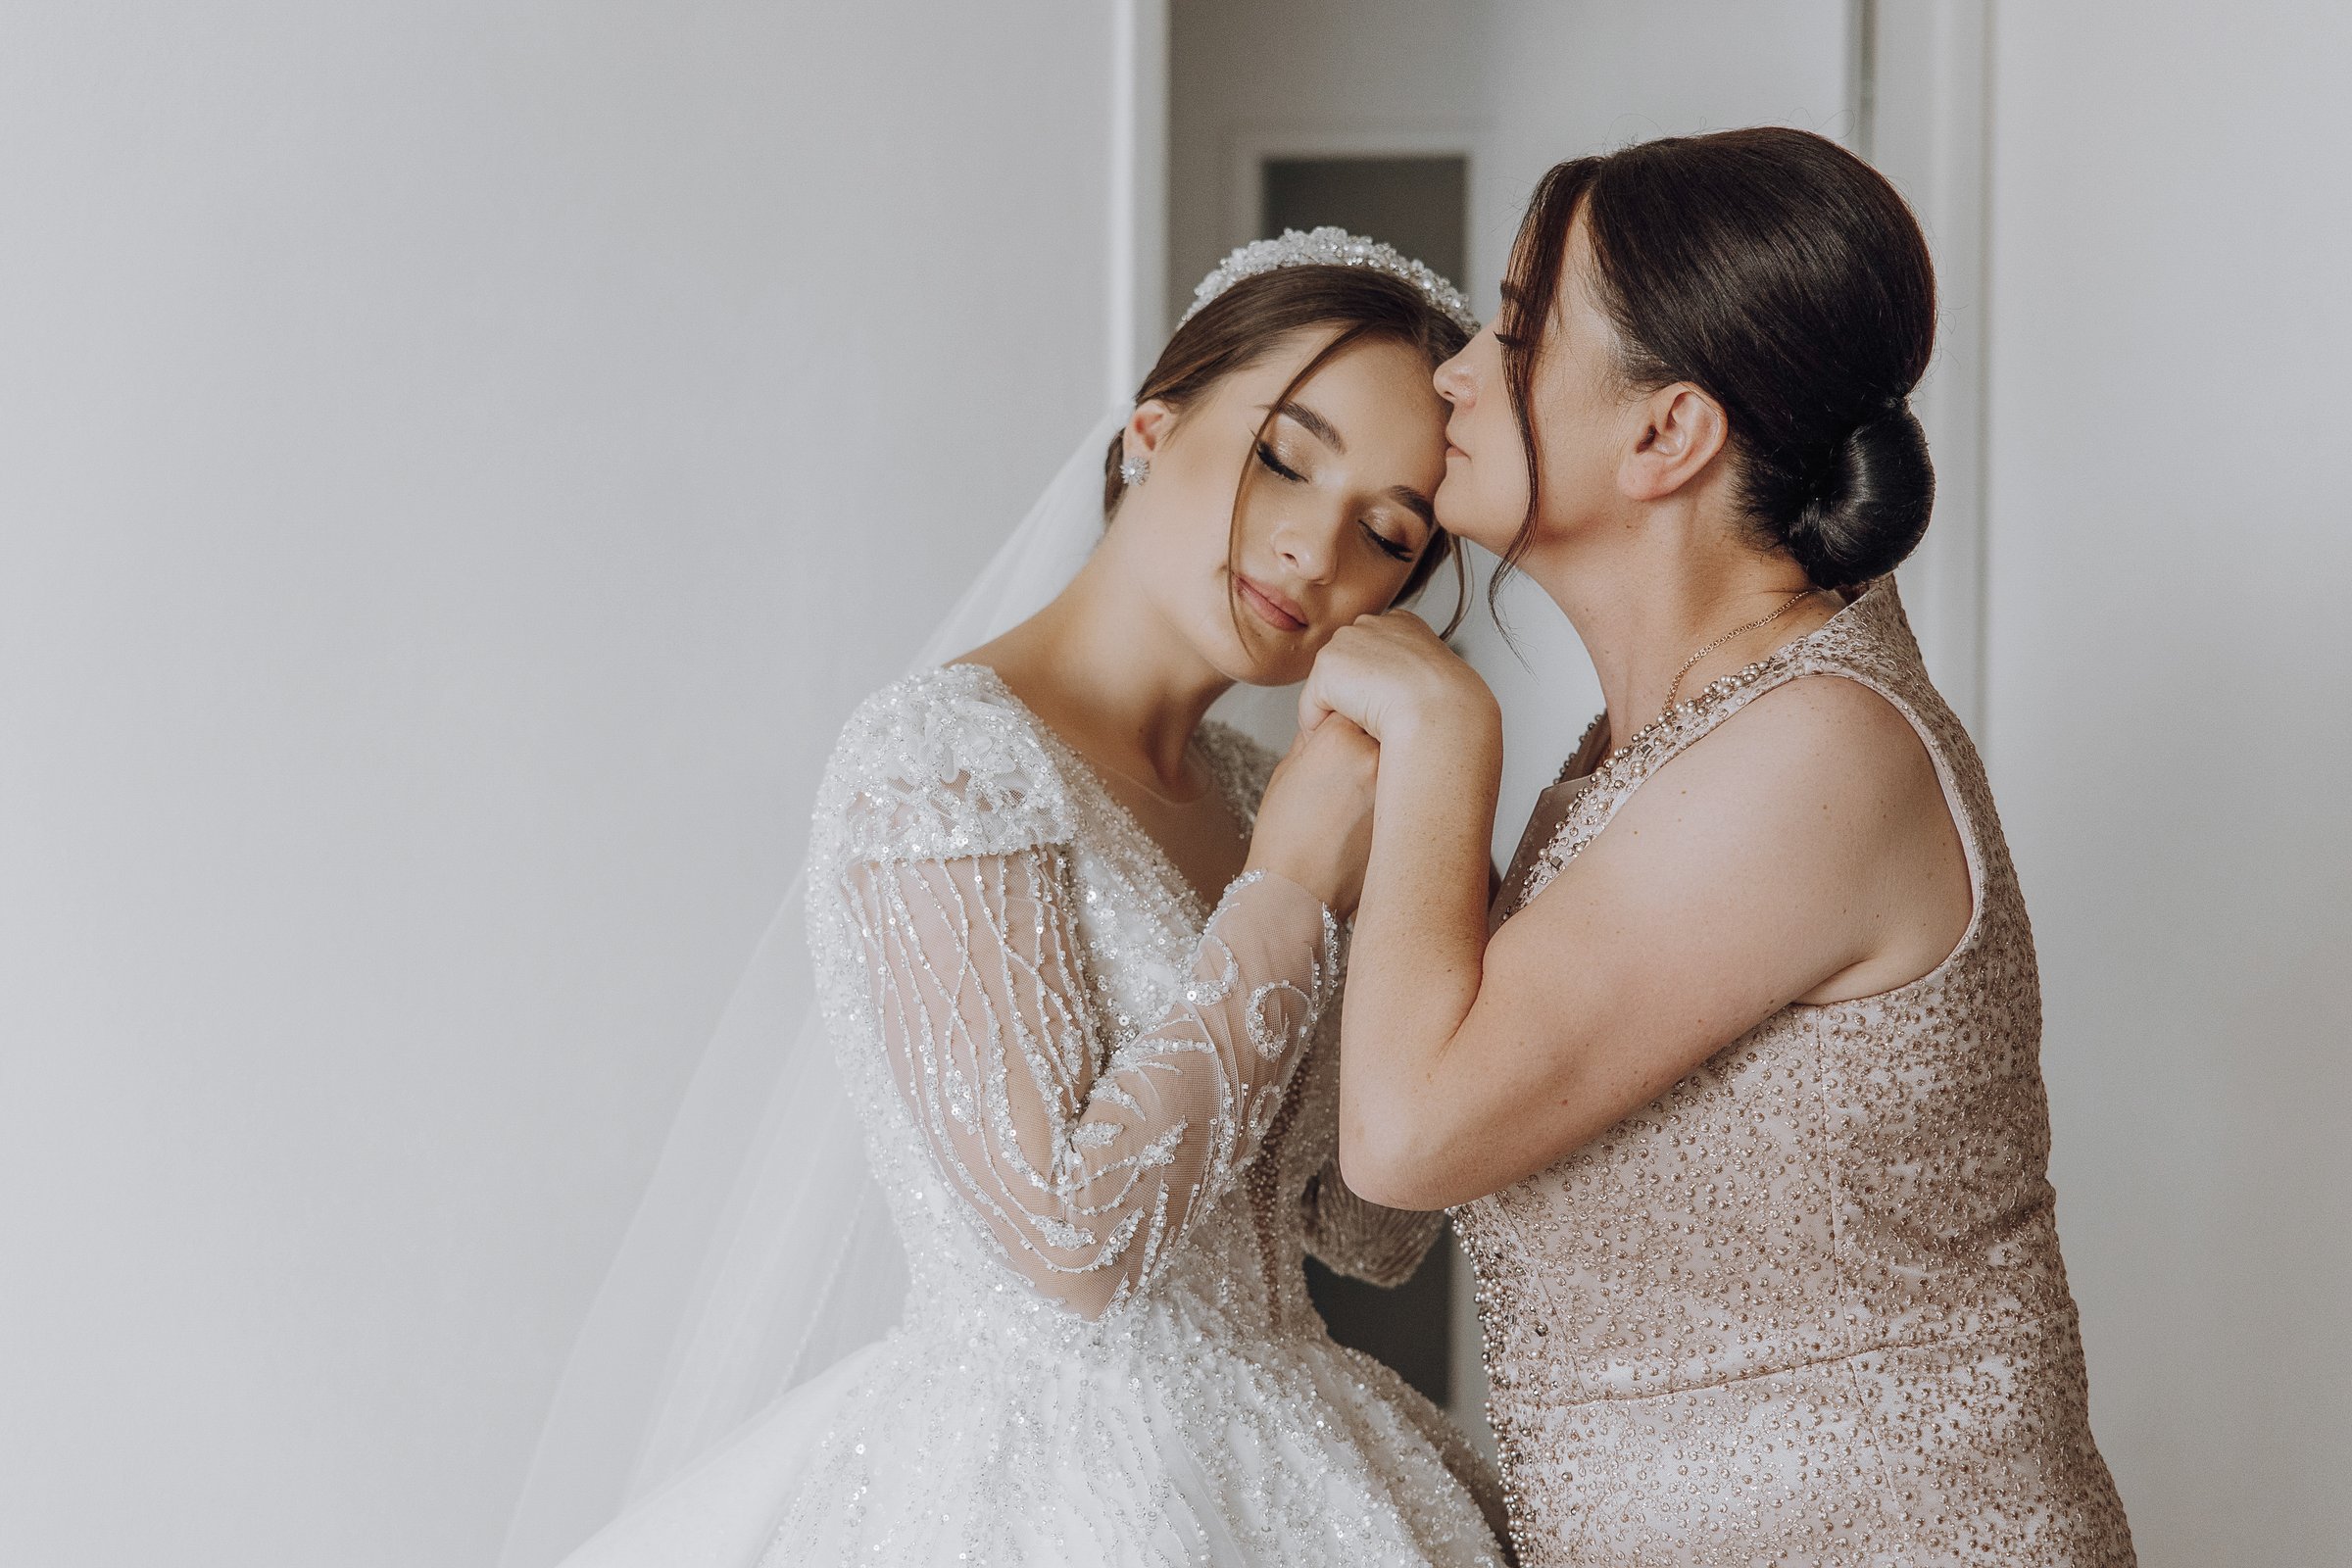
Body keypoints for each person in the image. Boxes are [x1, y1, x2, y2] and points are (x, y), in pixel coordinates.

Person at [516, 231, 1507, 1568]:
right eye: (1285, 456)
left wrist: (1433, 851)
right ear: (1153, 429)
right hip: (1044, 1486)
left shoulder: (1272, 791)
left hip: (1304, 1460)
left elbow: (1369, 1230)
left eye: (1388, 532)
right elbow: (1073, 1243)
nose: (1315, 547)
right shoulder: (945, 759)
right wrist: (1284, 889)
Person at [1268, 130, 2137, 1564]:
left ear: (1666, 436)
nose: (1454, 377)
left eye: (1517, 331)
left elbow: (1408, 1138)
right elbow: (1377, 1202)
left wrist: (1441, 731)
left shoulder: (1819, 748)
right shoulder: (1657, 751)